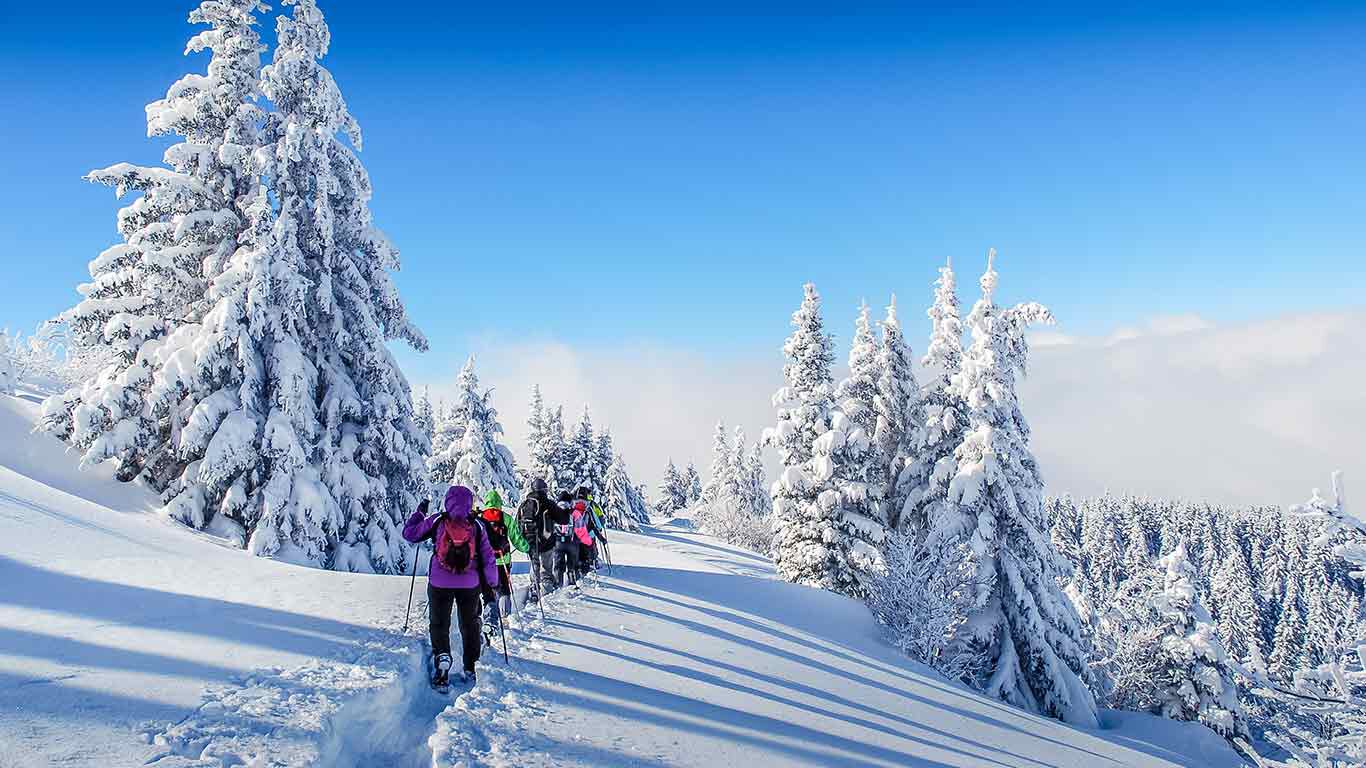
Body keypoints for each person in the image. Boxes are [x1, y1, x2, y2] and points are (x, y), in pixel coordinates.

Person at [403, 485, 498, 689]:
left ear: (447, 501)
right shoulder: (476, 525)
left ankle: (442, 661)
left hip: (439, 581)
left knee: (439, 623)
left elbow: (410, 534)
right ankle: (471, 667)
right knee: (470, 624)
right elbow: (488, 556)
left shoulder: (438, 520)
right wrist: (491, 583)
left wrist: (419, 514)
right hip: (469, 583)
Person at [478, 490, 528, 627]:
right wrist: (525, 547)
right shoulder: (506, 518)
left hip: (485, 562)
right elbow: (516, 538)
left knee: (487, 591)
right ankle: (505, 617)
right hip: (503, 560)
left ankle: (488, 619)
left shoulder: (480, 517)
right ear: (499, 503)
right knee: (504, 589)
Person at [518, 479, 562, 598]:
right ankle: (546, 589)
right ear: (544, 490)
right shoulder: (548, 503)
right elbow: (563, 519)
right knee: (546, 565)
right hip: (546, 541)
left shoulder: (524, 504)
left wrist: (524, 539)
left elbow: (518, 522)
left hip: (530, 541)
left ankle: (534, 587)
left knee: (534, 563)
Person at [552, 490, 588, 588]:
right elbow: (581, 529)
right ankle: (572, 583)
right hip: (572, 543)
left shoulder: (554, 511)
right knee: (572, 564)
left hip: (557, 542)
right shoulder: (574, 513)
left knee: (558, 564)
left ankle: (557, 584)